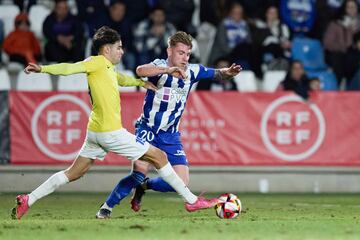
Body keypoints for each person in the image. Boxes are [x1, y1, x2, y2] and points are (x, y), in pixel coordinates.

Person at [11, 27, 218, 220]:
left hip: (94, 132)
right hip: (109, 133)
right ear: (107, 49)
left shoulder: (107, 67)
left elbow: (121, 79)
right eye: (119, 47)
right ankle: (192, 201)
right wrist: (43, 69)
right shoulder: (97, 62)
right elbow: (70, 68)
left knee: (73, 173)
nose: (122, 51)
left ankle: (29, 199)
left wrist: (139, 83)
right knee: (159, 156)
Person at [96, 31, 241, 219]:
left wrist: (228, 73)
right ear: (169, 51)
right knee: (139, 171)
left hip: (170, 135)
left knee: (181, 181)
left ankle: (145, 186)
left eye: (187, 54)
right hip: (147, 129)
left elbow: (217, 74)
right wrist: (167, 70)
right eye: (181, 53)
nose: (185, 58)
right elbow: (140, 71)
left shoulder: (192, 71)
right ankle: (107, 207)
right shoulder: (159, 66)